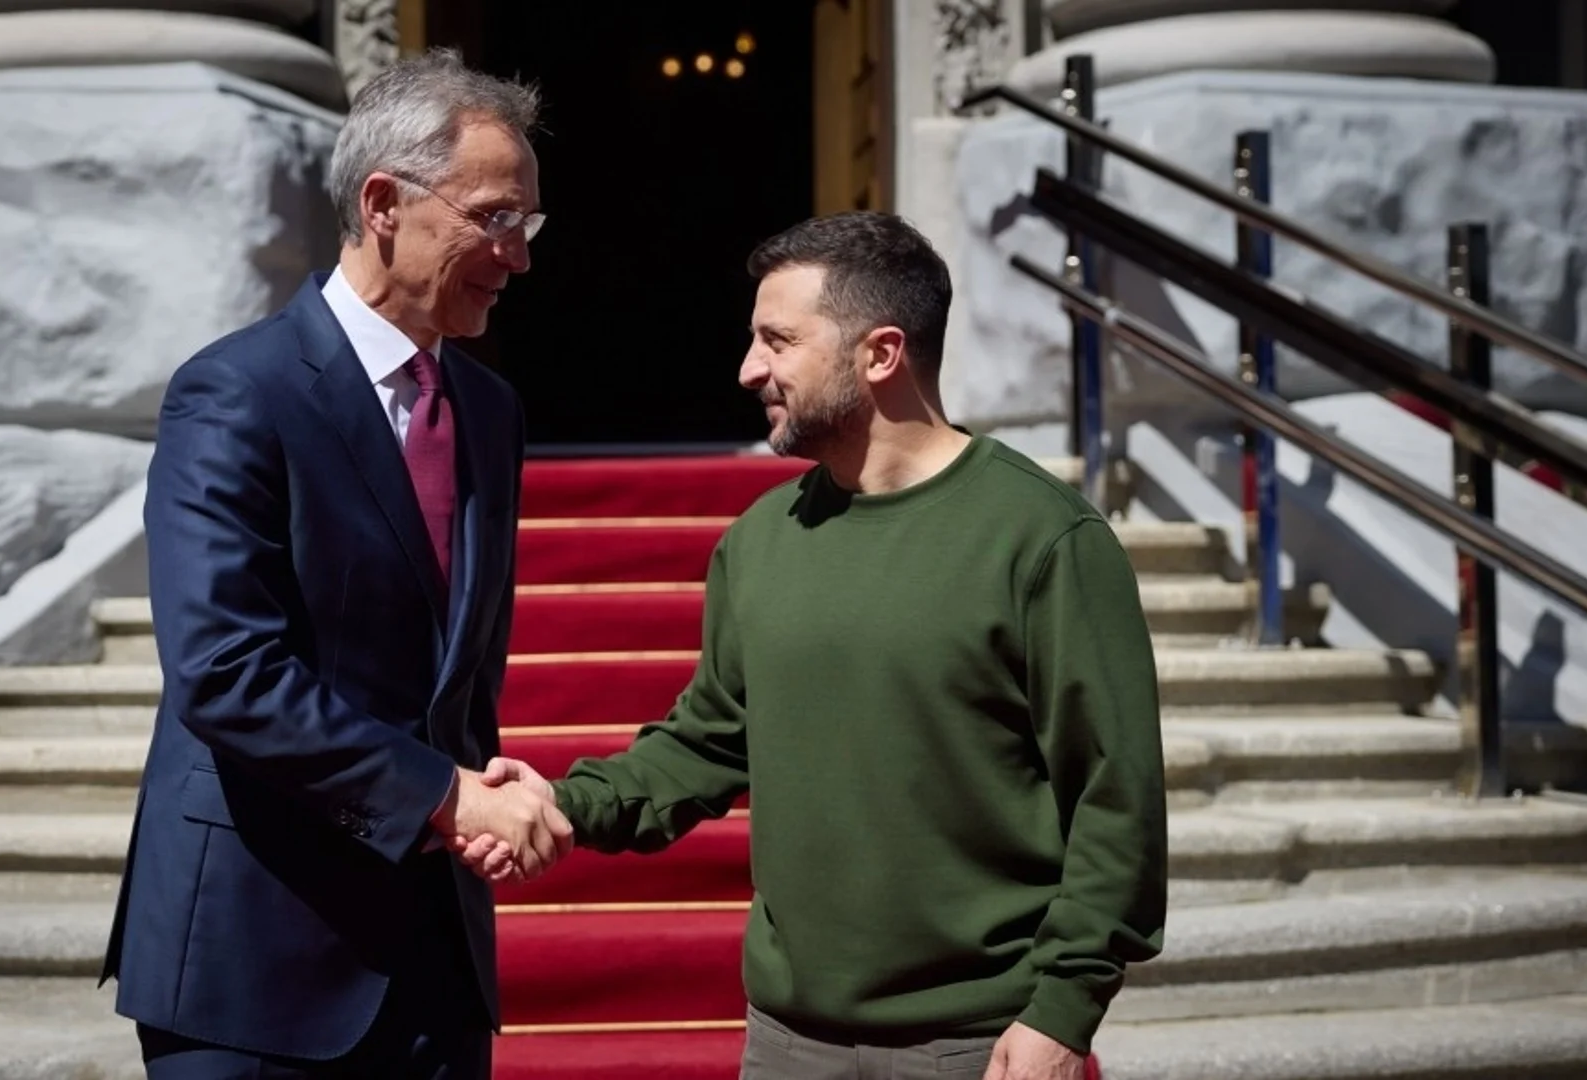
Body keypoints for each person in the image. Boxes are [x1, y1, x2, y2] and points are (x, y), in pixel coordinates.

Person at [462, 211, 1166, 1080]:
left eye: (778, 340)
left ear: (880, 354)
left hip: (979, 1045)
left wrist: (1064, 1010)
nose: (749, 368)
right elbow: (706, 745)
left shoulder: (1045, 541)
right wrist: (567, 805)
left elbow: (1115, 796)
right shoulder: (760, 540)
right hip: (789, 1043)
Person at [101, 48, 573, 1080]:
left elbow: (454, 678)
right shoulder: (238, 392)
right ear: (385, 202)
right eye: (495, 217)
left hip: (435, 965)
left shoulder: (490, 412)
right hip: (254, 963)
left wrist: (478, 794)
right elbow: (225, 673)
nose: (518, 255)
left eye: (527, 223)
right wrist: (447, 799)